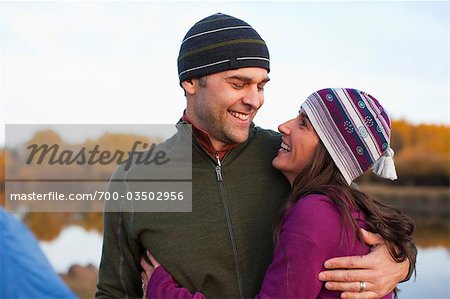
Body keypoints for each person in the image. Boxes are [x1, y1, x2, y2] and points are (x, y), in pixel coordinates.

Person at [96, 13, 414, 299]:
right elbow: (113, 292)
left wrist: (398, 260)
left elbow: (367, 226)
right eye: (239, 84)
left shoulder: (292, 160)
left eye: (261, 85)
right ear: (191, 82)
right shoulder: (133, 179)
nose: (254, 100)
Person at [140, 88, 416, 298]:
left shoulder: (317, 213)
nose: (284, 126)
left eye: (304, 123)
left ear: (331, 152)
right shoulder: (345, 206)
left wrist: (162, 289)